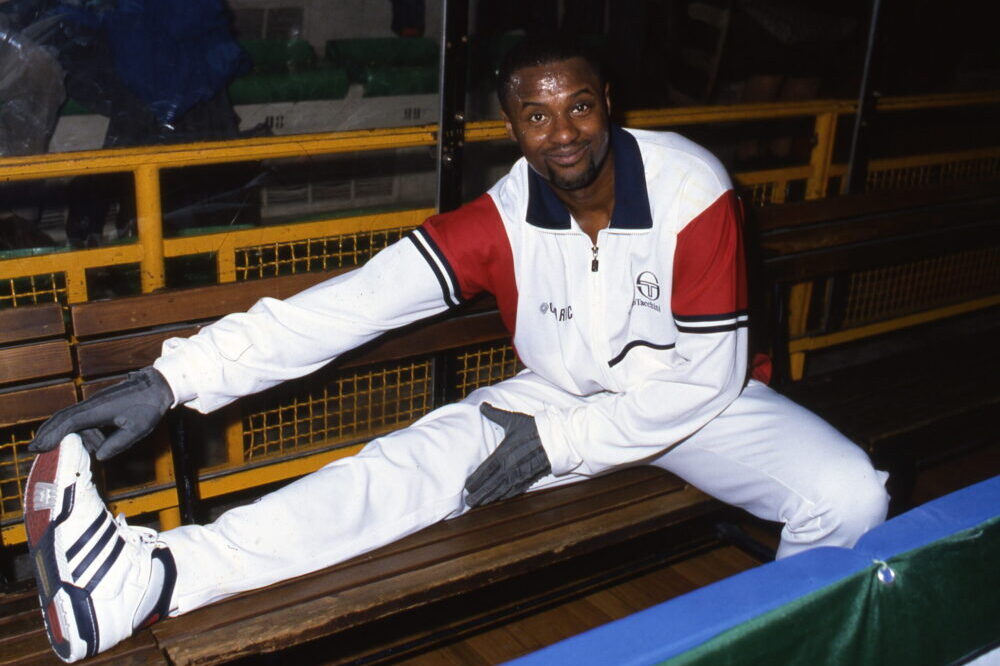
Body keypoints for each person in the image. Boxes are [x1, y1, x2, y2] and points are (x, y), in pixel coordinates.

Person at [23, 35, 889, 663]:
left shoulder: (690, 189)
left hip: (701, 407)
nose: (563, 133)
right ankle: (152, 577)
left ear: (607, 103)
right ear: (510, 124)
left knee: (851, 495)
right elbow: (354, 304)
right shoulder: (508, 214)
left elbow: (705, 380)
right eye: (537, 114)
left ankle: (781, 646)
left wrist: (561, 443)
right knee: (400, 470)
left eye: (579, 106)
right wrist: (173, 378)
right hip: (561, 396)